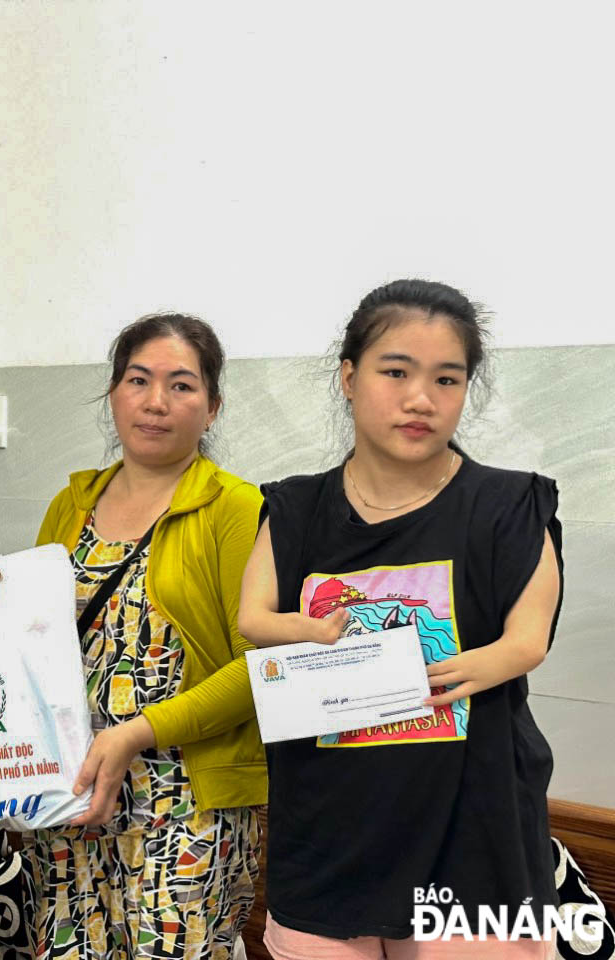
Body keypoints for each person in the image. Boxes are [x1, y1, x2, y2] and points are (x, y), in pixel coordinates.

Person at [238, 279, 563, 959]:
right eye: (396, 372)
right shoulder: (294, 509)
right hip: (328, 843)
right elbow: (253, 618)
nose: (421, 398)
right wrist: (310, 631)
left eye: (447, 379)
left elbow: (528, 640)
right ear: (350, 378)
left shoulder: (510, 506)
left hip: (474, 848)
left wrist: (446, 671)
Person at [29, 313, 266, 959]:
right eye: (139, 380)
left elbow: (262, 669)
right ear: (113, 393)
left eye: (182, 386)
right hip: (75, 792)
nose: (157, 402)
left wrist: (136, 732)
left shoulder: (236, 509)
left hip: (189, 803)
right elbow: (34, 645)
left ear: (212, 406)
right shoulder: (69, 505)